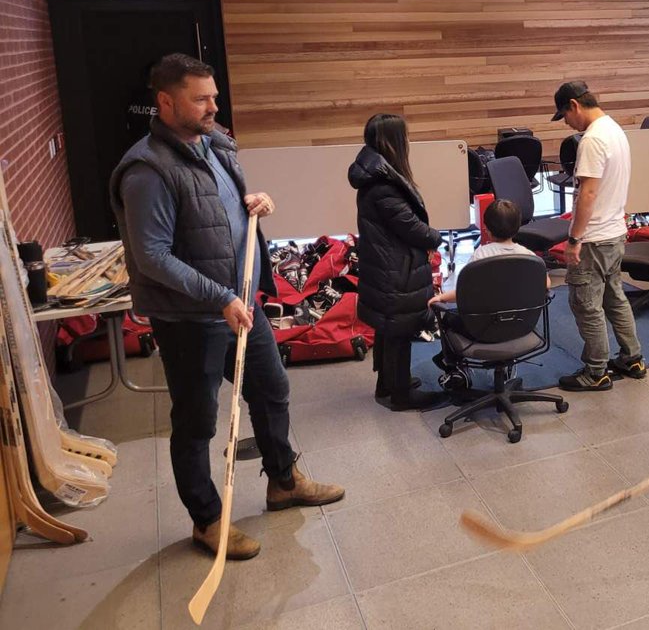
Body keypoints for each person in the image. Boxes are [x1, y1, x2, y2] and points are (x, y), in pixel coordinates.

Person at [110, 53, 343, 562]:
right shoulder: (147, 170)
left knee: (272, 390)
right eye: (201, 98)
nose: (214, 105)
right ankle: (207, 520)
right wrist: (220, 298)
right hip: (193, 318)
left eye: (214, 95)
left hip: (242, 303)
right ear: (166, 102)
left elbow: (215, 211)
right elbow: (151, 256)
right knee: (197, 423)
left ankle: (283, 482)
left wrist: (253, 200)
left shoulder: (212, 145)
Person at [550, 81, 644, 391]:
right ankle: (632, 358)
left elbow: (587, 194)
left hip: (593, 238)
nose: (566, 122)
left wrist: (574, 239)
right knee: (614, 297)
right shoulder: (615, 130)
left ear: (574, 106)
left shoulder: (592, 140)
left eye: (564, 115)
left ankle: (595, 371)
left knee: (586, 304)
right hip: (615, 232)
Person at [349, 113, 445, 411]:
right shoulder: (383, 184)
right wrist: (434, 237)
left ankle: (387, 385)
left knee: (389, 329)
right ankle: (401, 395)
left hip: (386, 264)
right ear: (391, 141)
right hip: (394, 269)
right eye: (404, 136)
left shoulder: (376, 174)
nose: (407, 142)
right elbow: (409, 226)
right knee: (400, 330)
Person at [428, 199, 550, 391]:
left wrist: (441, 298)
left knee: (447, 318)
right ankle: (508, 364)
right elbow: (546, 284)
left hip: (482, 329)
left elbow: (463, 294)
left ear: (486, 228)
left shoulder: (480, 256)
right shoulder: (529, 257)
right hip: (521, 325)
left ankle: (456, 369)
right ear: (518, 227)